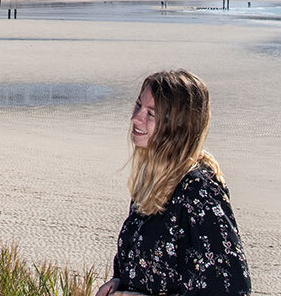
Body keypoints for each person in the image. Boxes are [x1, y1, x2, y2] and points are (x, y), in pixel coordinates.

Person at [97, 70, 250, 296]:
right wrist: (119, 282)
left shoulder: (199, 192)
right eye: (138, 106)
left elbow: (231, 289)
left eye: (151, 114)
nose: (136, 118)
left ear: (179, 126)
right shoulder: (152, 182)